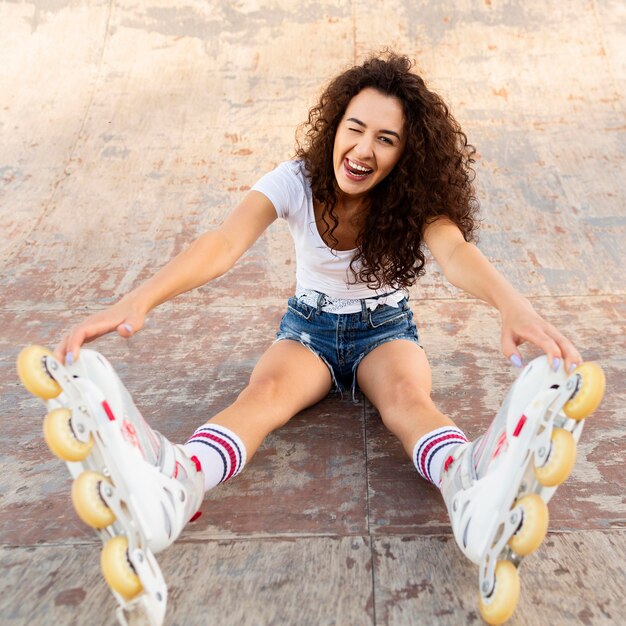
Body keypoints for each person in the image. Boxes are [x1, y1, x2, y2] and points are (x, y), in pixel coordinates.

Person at [49, 52, 585, 624]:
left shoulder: (412, 201)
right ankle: (178, 481)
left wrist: (513, 304)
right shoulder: (293, 181)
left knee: (408, 400)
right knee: (264, 396)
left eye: (386, 139)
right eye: (355, 128)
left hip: (386, 332)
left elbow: (456, 252)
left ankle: (470, 483)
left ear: (406, 154)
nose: (363, 150)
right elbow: (223, 242)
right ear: (335, 126)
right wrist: (139, 299)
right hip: (308, 329)